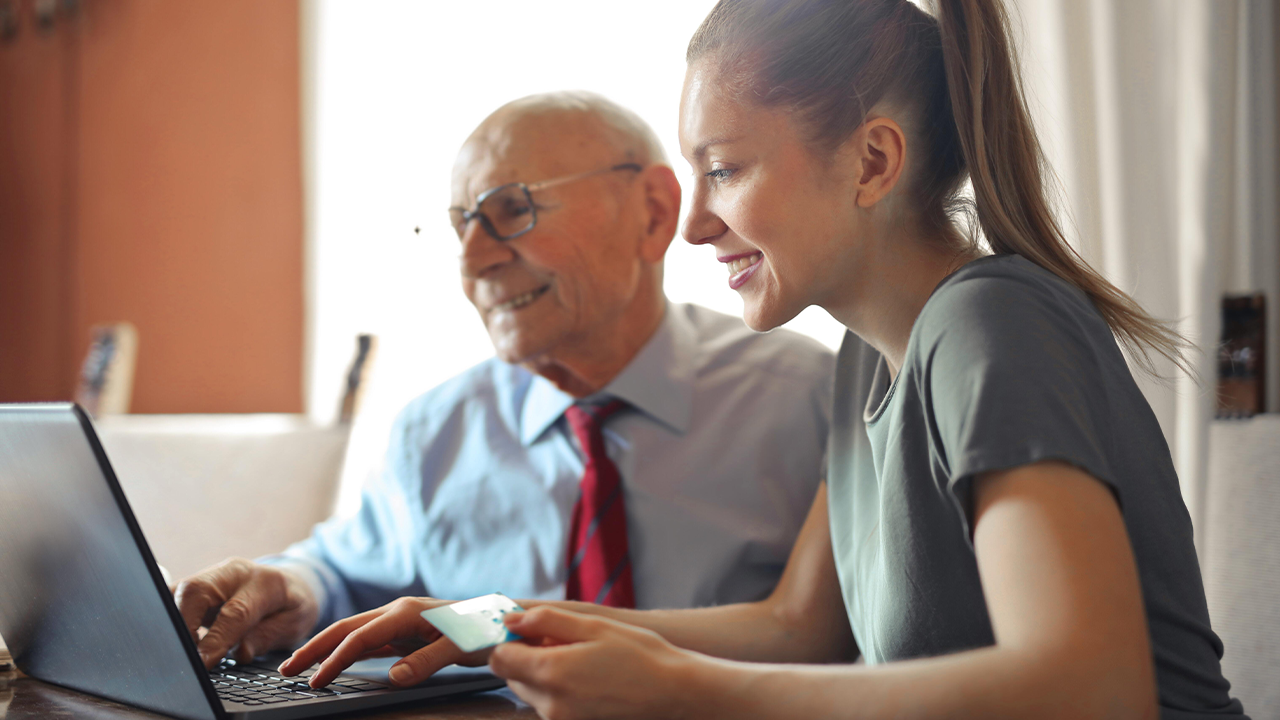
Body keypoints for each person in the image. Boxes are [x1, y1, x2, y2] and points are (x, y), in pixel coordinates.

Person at [278, 1, 1251, 718]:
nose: (694, 223)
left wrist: (678, 691)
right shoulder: (867, 361)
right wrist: (484, 622)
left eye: (725, 168)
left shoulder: (990, 327)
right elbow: (796, 626)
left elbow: (1092, 686)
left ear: (871, 163)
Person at [171, 91, 834, 671]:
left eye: (510, 210)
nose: (473, 261)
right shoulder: (435, 430)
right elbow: (343, 571)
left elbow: (829, 637)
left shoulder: (808, 399)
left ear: (654, 212)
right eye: (462, 225)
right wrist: (291, 586)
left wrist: (483, 624)